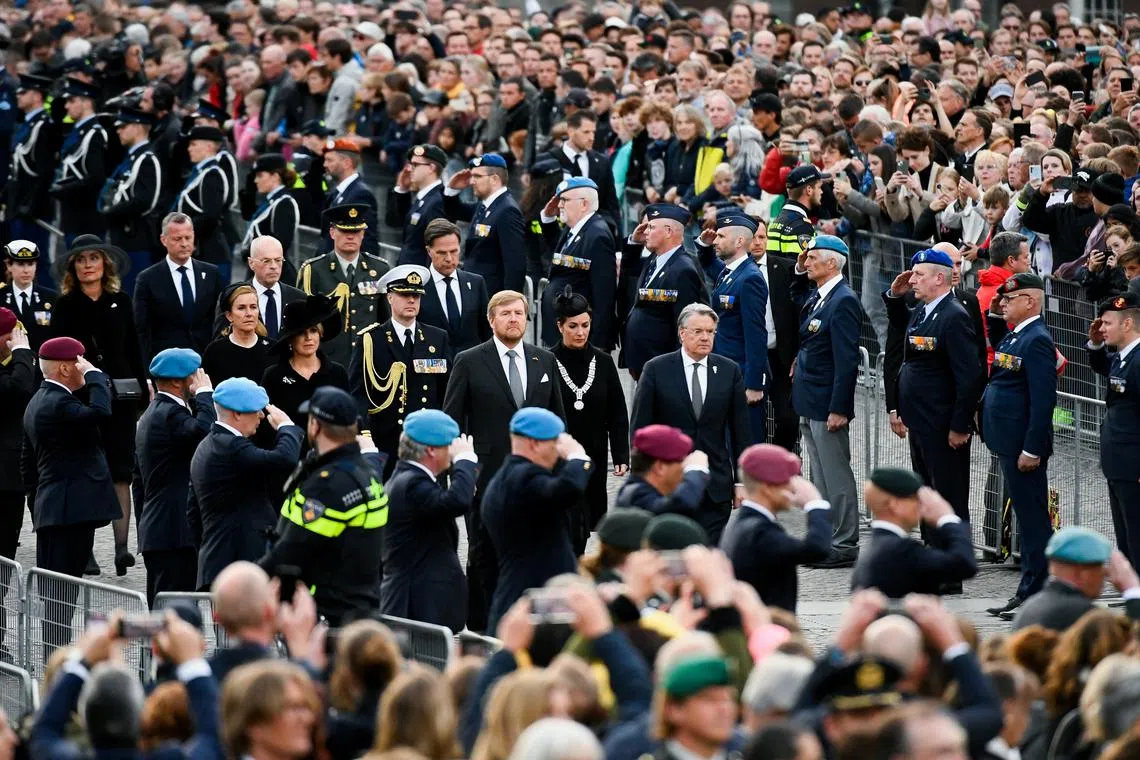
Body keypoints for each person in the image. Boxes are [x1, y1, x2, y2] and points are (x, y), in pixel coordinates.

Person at [443, 289, 565, 632]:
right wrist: (463, 470)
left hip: (535, 476)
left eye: (520, 313)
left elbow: (558, 419)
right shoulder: (469, 360)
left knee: (530, 548)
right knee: (484, 553)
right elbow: (452, 420)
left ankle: (528, 622)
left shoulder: (544, 360)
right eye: (507, 313)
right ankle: (481, 627)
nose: (514, 319)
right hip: (486, 475)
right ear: (491, 319)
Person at [50, 235, 147, 576]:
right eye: (81, 260)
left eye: (94, 258)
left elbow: (133, 347)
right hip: (82, 395)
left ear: (105, 263)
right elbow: (56, 354)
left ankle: (121, 550)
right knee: (87, 471)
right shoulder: (65, 306)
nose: (88, 264)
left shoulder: (120, 300)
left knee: (122, 470)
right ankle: (86, 552)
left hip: (120, 396)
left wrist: (142, 389)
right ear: (73, 268)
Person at [257, 386, 388, 626]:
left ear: (315, 426)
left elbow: (291, 552)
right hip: (362, 607)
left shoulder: (328, 485)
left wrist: (246, 581)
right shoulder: (367, 472)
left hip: (328, 616)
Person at [22, 337, 120, 649]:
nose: (85, 367)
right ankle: (57, 658)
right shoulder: (60, 404)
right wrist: (95, 377)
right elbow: (101, 414)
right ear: (66, 368)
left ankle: (57, 655)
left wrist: (39, 508)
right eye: (81, 361)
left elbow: (28, 466)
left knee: (58, 596)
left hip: (55, 510)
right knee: (61, 596)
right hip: (69, 512)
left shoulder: (39, 399)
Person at [631, 302, 750, 544]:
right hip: (669, 485)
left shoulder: (729, 371)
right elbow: (640, 431)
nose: (705, 337)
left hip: (715, 487)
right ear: (682, 333)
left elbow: (741, 432)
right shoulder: (656, 369)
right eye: (698, 331)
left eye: (710, 332)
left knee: (708, 556)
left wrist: (741, 482)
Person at [32, 610, 223, 760]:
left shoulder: (64, 756)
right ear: (142, 714)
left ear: (85, 717)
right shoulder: (171, 756)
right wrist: (192, 661)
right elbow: (212, 736)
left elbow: (44, 730)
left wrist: (81, 661)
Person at [883, 249, 983, 532]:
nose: (912, 279)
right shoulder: (925, 311)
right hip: (922, 421)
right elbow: (902, 326)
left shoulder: (953, 315)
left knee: (948, 498)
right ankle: (932, 554)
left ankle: (951, 567)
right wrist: (893, 295)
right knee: (927, 492)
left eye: (918, 275)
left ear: (940, 278)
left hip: (942, 424)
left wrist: (959, 425)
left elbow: (969, 376)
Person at [982, 273, 1058, 618]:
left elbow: (1043, 401)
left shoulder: (1037, 340)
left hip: (1023, 446)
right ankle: (1027, 590)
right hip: (1007, 441)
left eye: (1010, 300)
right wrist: (997, 313)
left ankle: (1036, 593)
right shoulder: (1016, 336)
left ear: (1030, 301)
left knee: (1033, 522)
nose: (1004, 304)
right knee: (1026, 521)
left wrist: (1033, 447)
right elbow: (1000, 355)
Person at [481, 407, 592, 633]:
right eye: (555, 445)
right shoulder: (524, 478)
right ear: (534, 444)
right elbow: (566, 490)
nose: (558, 453)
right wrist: (578, 457)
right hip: (536, 607)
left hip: (521, 596)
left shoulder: (504, 479)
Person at [189, 376, 304, 590]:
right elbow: (284, 459)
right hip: (242, 563)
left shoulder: (207, 445)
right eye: (256, 410)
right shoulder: (232, 447)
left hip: (220, 560)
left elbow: (193, 513)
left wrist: (209, 550)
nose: (261, 415)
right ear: (238, 413)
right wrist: (287, 426)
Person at [791, 234, 862, 569]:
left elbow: (846, 361)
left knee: (835, 474)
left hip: (826, 402)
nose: (807, 262)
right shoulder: (820, 297)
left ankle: (845, 542)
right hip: (810, 397)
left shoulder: (843, 300)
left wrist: (839, 407)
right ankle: (827, 536)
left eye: (813, 257)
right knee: (819, 475)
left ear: (832, 262)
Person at [380, 409, 478, 632]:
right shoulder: (413, 484)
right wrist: (465, 460)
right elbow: (457, 502)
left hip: (420, 606)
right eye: (448, 447)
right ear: (432, 450)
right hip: (416, 609)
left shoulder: (408, 479)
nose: (452, 454)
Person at [132, 348, 215, 605]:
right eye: (196, 374)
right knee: (173, 615)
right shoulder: (171, 414)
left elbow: (139, 483)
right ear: (179, 381)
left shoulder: (153, 413)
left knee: (163, 613)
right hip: (174, 532)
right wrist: (204, 395)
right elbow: (206, 433)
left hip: (159, 530)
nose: (201, 377)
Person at [350, 264, 451, 477]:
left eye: (416, 295)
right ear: (389, 297)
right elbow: (358, 393)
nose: (411, 300)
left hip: (426, 440)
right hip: (386, 439)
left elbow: (444, 392)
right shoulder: (371, 340)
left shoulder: (437, 338)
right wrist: (364, 433)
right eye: (404, 295)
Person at [549, 288, 629, 547]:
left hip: (593, 453)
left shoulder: (603, 362)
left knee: (585, 523)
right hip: (558, 456)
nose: (580, 332)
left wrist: (620, 455)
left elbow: (617, 413)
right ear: (560, 325)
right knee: (563, 521)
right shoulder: (546, 360)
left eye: (585, 325)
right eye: (573, 326)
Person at [720, 443, 831, 613]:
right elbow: (816, 549)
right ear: (767, 488)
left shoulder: (740, 524)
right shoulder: (760, 532)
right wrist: (815, 504)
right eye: (786, 482)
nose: (793, 488)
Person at [696, 212, 770, 443]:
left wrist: (754, 384)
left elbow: (756, 334)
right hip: (726, 371)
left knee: (744, 445)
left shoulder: (750, 278)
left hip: (741, 375)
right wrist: (704, 245)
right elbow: (709, 263)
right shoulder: (730, 272)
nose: (716, 240)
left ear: (739, 241)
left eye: (721, 235)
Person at [851, 467, 978, 598]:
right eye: (915, 498)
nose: (921, 505)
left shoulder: (877, 546)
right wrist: (947, 517)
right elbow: (964, 564)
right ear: (895, 505)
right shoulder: (899, 550)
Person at [297, 202, 391, 368]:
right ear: (332, 232)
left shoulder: (380, 269)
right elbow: (302, 321)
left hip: (367, 359)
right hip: (327, 360)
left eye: (356, 231)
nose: (351, 236)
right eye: (345, 231)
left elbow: (385, 319)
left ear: (363, 233)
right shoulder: (314, 270)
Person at [622, 204, 709, 379]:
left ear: (669, 231)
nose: (646, 231)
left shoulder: (683, 269)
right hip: (644, 361)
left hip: (663, 366)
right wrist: (634, 243)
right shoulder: (655, 259)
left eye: (651, 227)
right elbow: (629, 270)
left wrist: (677, 372)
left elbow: (685, 325)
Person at [1087, 292, 1140, 565]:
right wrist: (1096, 344)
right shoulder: (1123, 357)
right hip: (1119, 464)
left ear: (1127, 324)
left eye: (1107, 323)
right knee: (1126, 536)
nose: (1101, 328)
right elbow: (1105, 369)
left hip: (1134, 466)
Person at [133, 212, 226, 364]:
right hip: (166, 363)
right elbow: (141, 329)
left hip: (206, 360)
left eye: (188, 238)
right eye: (177, 239)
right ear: (164, 240)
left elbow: (221, 319)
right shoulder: (147, 279)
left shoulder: (211, 273)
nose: (184, 244)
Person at [537, 176, 617, 348]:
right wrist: (548, 218)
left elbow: (604, 295)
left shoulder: (597, 235)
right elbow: (560, 260)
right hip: (563, 333)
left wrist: (596, 345)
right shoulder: (573, 229)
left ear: (583, 204)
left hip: (579, 339)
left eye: (564, 200)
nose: (559, 205)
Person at [1013, 527, 1140, 630]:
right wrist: (1132, 591)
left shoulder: (1029, 608)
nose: (1105, 574)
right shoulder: (1087, 616)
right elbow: (1130, 648)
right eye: (1100, 566)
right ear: (1081, 572)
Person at [442, 152, 527, 296]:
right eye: (472, 176)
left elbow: (515, 264)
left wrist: (508, 302)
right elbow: (455, 211)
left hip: (491, 295)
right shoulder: (485, 206)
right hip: (477, 292)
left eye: (477, 176)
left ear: (494, 179)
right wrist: (452, 190)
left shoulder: (507, 210)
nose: (471, 181)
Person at [99, 105, 164, 292]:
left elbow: (146, 200)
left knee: (133, 292)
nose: (118, 130)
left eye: (123, 126)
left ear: (138, 127)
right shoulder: (132, 158)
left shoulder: (146, 159)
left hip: (136, 235)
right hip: (123, 234)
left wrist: (111, 211)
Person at [262, 294, 349, 429]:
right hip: (288, 447)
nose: (308, 337)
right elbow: (265, 424)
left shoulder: (337, 373)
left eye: (313, 330)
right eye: (301, 333)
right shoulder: (274, 375)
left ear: (320, 334)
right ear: (291, 339)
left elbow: (347, 419)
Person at [0, 310, 33, 632]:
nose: (15, 341)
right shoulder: (15, 369)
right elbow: (18, 389)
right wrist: (23, 353)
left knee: (6, 555)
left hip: (9, 480)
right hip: (4, 480)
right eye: (11, 335)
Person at [7, 74, 57, 279]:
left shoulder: (44, 126)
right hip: (19, 203)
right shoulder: (26, 125)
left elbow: (44, 171)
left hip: (33, 208)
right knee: (17, 260)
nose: (18, 95)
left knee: (36, 261)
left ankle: (46, 306)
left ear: (37, 96)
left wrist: (32, 204)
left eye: (23, 92)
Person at [417, 219, 491, 352]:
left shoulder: (476, 283)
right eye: (442, 253)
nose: (449, 259)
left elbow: (486, 332)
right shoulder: (417, 287)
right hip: (432, 366)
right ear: (429, 251)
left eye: (454, 251)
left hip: (470, 367)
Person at [49, 77, 108, 245]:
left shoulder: (94, 134)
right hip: (73, 215)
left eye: (71, 100)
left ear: (86, 102)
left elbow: (96, 177)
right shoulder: (78, 131)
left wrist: (64, 189)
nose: (66, 106)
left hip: (87, 217)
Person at [539, 109, 621, 228]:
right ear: (571, 131)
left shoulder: (602, 162)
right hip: (555, 232)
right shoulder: (548, 160)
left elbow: (611, 205)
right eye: (586, 132)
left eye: (593, 132)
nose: (592, 137)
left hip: (593, 234)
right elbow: (538, 203)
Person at [172, 126, 231, 281]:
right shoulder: (200, 172)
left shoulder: (212, 175)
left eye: (194, 144)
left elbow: (211, 216)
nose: (189, 149)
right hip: (200, 250)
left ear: (209, 146)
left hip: (209, 252)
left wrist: (181, 233)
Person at [613, 424, 709, 516]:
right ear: (660, 467)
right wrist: (695, 470)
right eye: (682, 461)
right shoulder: (636, 497)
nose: (684, 468)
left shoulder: (640, 490)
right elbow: (681, 504)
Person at [226, 236, 306, 341]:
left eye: (278, 260)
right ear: (251, 263)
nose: (274, 266)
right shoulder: (234, 297)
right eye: (266, 261)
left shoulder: (298, 297)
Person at [387, 144, 448, 267]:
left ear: (431, 168)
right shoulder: (423, 198)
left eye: (415, 165)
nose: (410, 169)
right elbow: (394, 221)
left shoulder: (438, 201)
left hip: (419, 277)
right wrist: (402, 190)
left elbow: (435, 249)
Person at [319, 138, 380, 255]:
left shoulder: (361, 194)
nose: (325, 164)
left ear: (347, 163)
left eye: (330, 160)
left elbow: (367, 240)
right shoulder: (336, 193)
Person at [203, 284, 273, 384]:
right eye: (241, 308)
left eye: (253, 307)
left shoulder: (273, 350)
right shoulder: (215, 351)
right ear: (229, 315)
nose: (249, 313)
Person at [241, 153, 301, 268]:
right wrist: (249, 192)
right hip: (261, 268)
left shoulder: (284, 203)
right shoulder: (271, 200)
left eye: (260, 175)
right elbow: (248, 215)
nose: (256, 180)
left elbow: (280, 244)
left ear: (275, 176)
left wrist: (249, 252)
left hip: (273, 272)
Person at [1, 241, 56, 350]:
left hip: (42, 363)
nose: (26, 270)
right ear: (9, 266)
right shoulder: (1, 297)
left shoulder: (51, 298)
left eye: (30, 264)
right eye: (20, 264)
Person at [767, 166, 824, 260]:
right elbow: (802, 270)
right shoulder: (801, 226)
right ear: (809, 190)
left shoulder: (778, 219)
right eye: (819, 187)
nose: (821, 192)